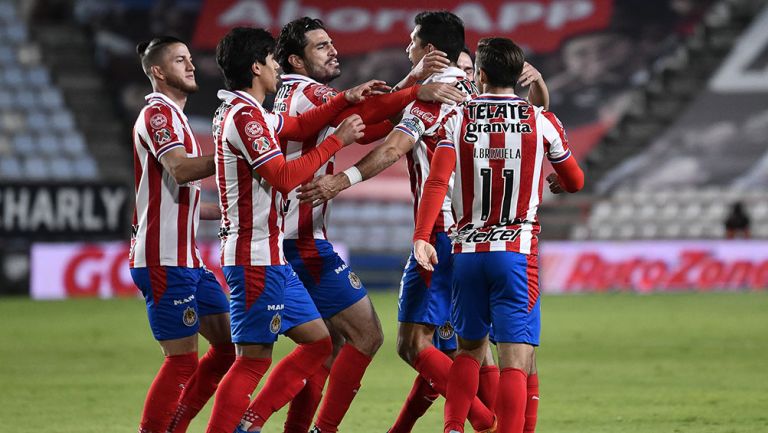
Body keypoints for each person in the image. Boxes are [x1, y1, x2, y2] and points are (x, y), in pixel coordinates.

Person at [298, 11, 551, 433]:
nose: (407, 49)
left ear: (430, 49)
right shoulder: (477, 91)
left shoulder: (433, 96)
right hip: (493, 240)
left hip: (441, 235)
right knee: (480, 350)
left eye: (412, 42)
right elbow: (537, 128)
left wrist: (339, 180)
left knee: (414, 345)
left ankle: (487, 423)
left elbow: (394, 146)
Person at [230, 17, 466, 433]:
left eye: (331, 42)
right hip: (301, 238)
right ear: (294, 60)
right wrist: (416, 89)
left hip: (285, 234)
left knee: (327, 346)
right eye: (321, 46)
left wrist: (410, 84)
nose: (333, 50)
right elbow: (371, 121)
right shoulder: (309, 91)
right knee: (365, 335)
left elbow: (370, 123)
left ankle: (292, 427)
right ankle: (270, 424)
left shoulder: (287, 94)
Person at [203, 27, 381, 433]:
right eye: (270, 61)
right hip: (252, 256)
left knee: (319, 343)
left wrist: (345, 99)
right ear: (256, 67)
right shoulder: (246, 118)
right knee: (251, 360)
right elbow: (285, 177)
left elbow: (299, 127)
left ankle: (254, 422)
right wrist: (336, 141)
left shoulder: (251, 112)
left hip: (272, 256)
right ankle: (241, 426)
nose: (276, 69)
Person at [411, 37, 584, 433]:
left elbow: (437, 182)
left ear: (480, 75)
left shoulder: (457, 118)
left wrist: (422, 235)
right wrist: (558, 181)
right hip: (517, 255)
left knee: (469, 350)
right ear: (518, 75)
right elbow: (575, 180)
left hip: (468, 252)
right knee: (515, 360)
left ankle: (453, 426)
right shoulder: (540, 120)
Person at [129, 36, 235, 433]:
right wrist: (237, 152)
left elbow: (181, 200)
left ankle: (176, 425)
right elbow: (181, 170)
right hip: (162, 259)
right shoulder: (158, 115)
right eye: (179, 60)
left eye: (190, 59)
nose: (190, 66)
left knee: (227, 347)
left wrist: (230, 211)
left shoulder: (179, 119)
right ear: (158, 71)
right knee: (182, 360)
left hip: (186, 258)